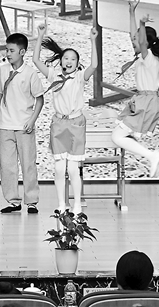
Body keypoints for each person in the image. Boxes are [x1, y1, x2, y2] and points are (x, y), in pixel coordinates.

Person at [32, 23, 98, 215]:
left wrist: (93, 40)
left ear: (77, 63)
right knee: (59, 169)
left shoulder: (80, 77)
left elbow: (94, 65)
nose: (69, 61)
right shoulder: (53, 75)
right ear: (61, 60)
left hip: (76, 124)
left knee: (73, 169)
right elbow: (35, 60)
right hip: (59, 124)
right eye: (66, 58)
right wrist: (40, 36)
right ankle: (61, 204)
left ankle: (77, 205)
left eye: (73, 59)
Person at [110, 0, 159, 178]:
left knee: (117, 136)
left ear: (146, 43)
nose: (132, 41)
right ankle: (150, 156)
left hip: (146, 102)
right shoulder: (146, 56)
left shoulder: (147, 56)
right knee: (124, 135)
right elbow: (134, 36)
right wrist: (132, 12)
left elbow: (141, 42)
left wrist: (141, 24)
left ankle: (152, 156)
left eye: (136, 39)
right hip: (144, 100)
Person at [0, 33, 45, 214]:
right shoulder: (2, 71)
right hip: (5, 126)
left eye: (11, 50)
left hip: (24, 126)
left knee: (28, 164)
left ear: (22, 52)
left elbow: (40, 99)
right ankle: (13, 201)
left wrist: (32, 121)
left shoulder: (30, 73)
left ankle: (31, 201)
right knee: (7, 165)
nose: (8, 54)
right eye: (6, 50)